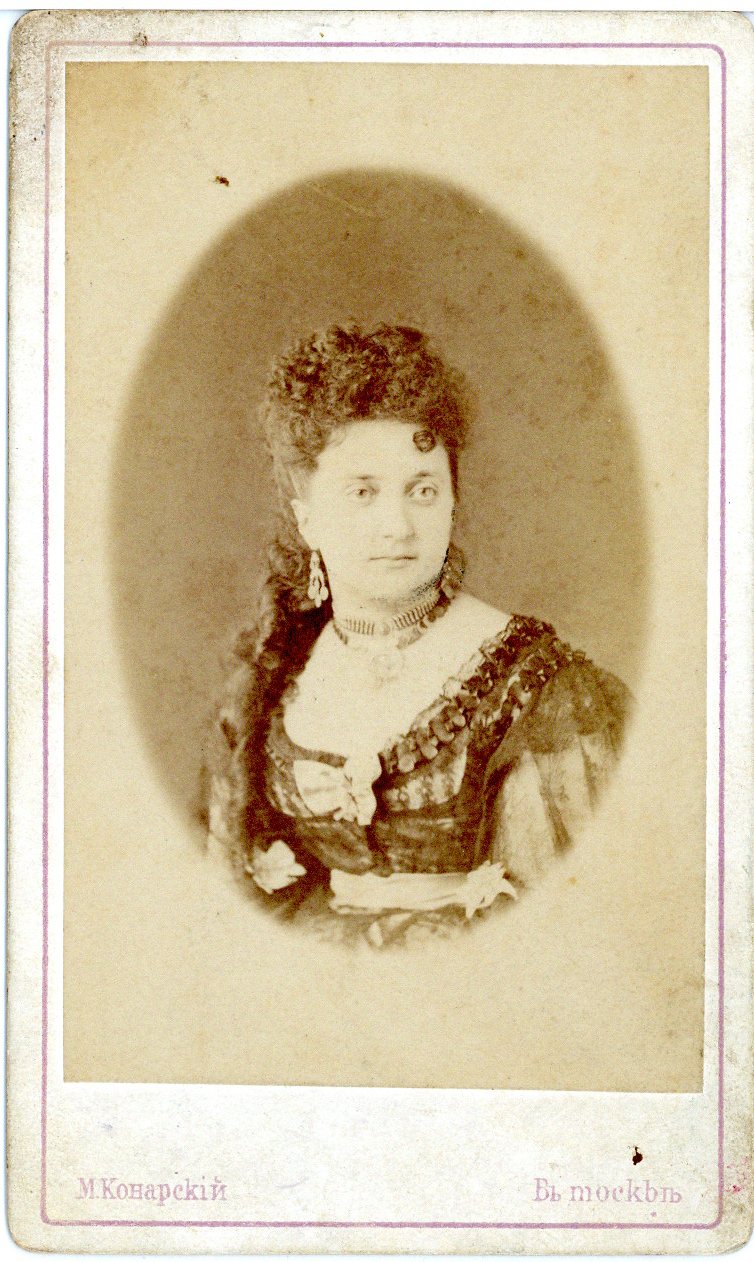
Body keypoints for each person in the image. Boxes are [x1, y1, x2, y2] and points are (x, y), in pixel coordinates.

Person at [201, 323, 630, 947]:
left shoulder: (538, 689)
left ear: (452, 502)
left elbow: (570, 926)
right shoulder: (273, 681)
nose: (397, 526)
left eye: (422, 490)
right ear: (308, 517)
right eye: (363, 492)